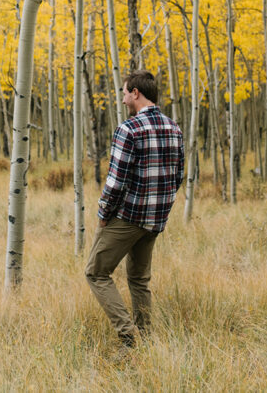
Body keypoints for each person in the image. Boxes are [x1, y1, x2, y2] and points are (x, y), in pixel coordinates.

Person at [85, 70, 184, 348]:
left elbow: (116, 182)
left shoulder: (129, 129)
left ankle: (129, 337)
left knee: (96, 272)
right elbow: (177, 177)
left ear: (136, 93)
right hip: (155, 219)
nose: (124, 98)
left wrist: (104, 214)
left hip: (128, 217)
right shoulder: (174, 127)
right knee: (139, 279)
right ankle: (146, 338)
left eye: (125, 92)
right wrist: (160, 209)